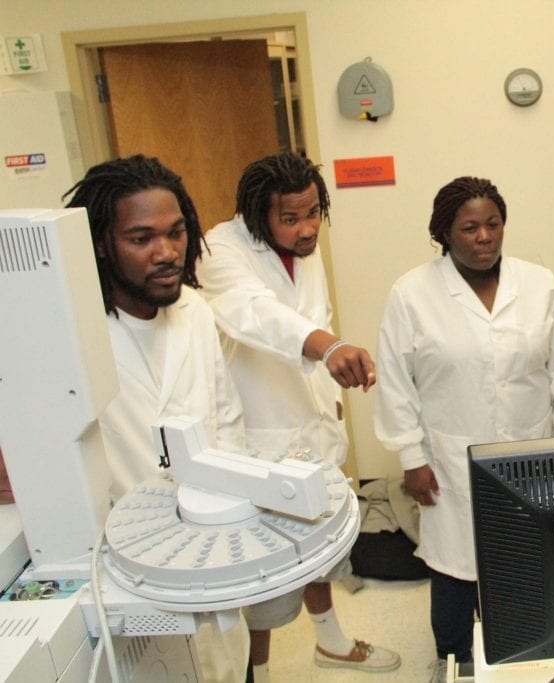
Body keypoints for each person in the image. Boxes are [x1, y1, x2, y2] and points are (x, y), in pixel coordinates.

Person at [374, 176, 554, 683]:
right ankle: (453, 659)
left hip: (530, 451)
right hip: (450, 455)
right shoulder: (412, 293)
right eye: (469, 227)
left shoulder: (538, 284)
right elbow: (395, 381)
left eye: (493, 224)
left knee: (526, 557)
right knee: (454, 562)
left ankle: (523, 651)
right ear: (445, 233)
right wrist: (410, 457)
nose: (484, 237)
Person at [196, 152, 399, 681]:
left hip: (313, 424)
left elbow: (315, 316)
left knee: (322, 547)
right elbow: (252, 314)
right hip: (260, 435)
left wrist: (329, 362)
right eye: (291, 218)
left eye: (314, 212)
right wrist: (327, 346)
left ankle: (330, 642)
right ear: (257, 214)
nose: (307, 228)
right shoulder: (220, 249)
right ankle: (257, 674)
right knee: (260, 574)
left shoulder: (304, 251)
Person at [63, 155, 249, 683]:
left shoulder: (194, 311)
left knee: (227, 669)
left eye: (176, 232)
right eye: (141, 238)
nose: (166, 253)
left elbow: (226, 419)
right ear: (101, 243)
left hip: (208, 551)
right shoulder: (74, 334)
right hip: (126, 567)